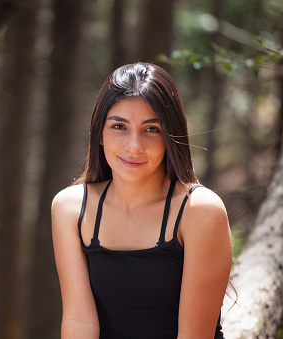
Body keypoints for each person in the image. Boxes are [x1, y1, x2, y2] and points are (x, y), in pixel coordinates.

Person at [52, 62, 233, 338]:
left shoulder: (199, 211)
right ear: (99, 133)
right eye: (119, 126)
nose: (134, 145)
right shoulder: (71, 208)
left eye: (151, 130)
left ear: (170, 137)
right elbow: (79, 322)